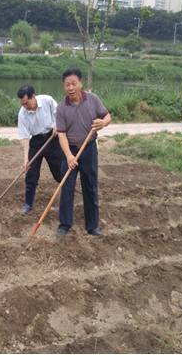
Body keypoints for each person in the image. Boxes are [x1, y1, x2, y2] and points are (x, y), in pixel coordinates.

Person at [55, 68, 112, 237]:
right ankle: (64, 224)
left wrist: (103, 123)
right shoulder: (61, 107)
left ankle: (92, 226)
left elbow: (107, 116)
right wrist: (69, 156)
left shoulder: (93, 100)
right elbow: (61, 134)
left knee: (90, 186)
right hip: (70, 150)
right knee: (67, 187)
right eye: (67, 85)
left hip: (88, 149)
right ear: (64, 86)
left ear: (81, 83)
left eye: (74, 83)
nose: (71, 87)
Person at [16, 85, 64, 215]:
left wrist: (57, 125)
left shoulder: (47, 100)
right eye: (22, 104)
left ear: (33, 96)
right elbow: (25, 137)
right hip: (36, 142)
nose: (25, 106)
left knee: (60, 172)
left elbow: (59, 113)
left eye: (26, 102)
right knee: (31, 174)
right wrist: (26, 159)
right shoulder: (22, 113)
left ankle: (67, 197)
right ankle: (28, 204)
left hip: (52, 139)